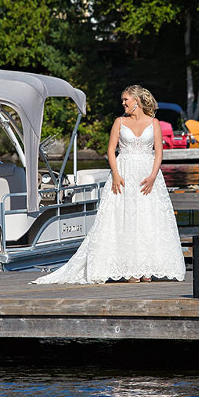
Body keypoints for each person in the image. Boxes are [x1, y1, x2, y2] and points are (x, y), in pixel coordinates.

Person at [34, 85, 186, 284]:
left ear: (137, 101)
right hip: (124, 173)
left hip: (148, 175)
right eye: (122, 100)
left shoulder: (154, 123)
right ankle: (130, 269)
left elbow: (158, 152)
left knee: (148, 218)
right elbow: (111, 150)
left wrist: (153, 175)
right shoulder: (119, 122)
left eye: (126, 100)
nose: (123, 103)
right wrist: (115, 174)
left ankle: (148, 268)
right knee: (125, 218)